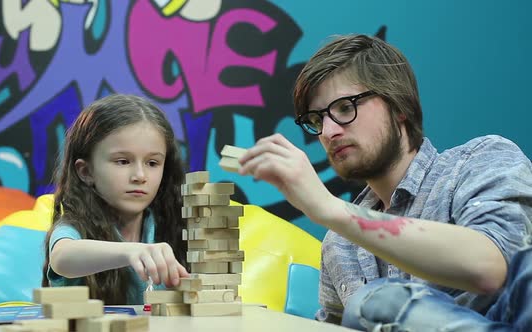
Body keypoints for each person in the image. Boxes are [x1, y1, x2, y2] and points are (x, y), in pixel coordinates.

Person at [237, 34, 532, 330]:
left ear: (398, 104)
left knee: (376, 300)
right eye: (317, 119)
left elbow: (492, 266)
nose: (328, 131)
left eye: (344, 108)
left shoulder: (478, 162)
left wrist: (330, 208)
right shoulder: (339, 245)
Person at [41, 94, 189, 305]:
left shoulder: (172, 225)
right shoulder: (75, 228)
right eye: (122, 161)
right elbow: (62, 257)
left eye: (153, 163)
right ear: (86, 171)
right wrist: (132, 251)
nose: (140, 175)